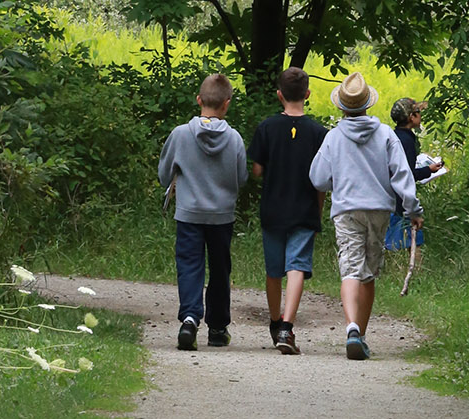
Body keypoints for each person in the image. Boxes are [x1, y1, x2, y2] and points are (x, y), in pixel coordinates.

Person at [309, 72, 422, 360]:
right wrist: (413, 210)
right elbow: (402, 174)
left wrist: (340, 180)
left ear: (342, 107)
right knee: (369, 272)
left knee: (350, 268)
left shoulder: (334, 137)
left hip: (347, 209)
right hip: (379, 209)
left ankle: (351, 329)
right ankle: (363, 333)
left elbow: (318, 178)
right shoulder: (385, 133)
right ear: (368, 104)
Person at [158, 74, 248, 351]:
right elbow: (241, 177)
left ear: (199, 100)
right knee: (220, 269)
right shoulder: (234, 139)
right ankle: (218, 328)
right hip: (221, 215)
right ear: (227, 104)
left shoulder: (180, 134)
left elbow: (164, 175)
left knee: (189, 265)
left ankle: (189, 319)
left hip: (188, 213)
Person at [249, 67, 328, 355]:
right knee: (297, 266)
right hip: (304, 208)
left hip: (273, 208)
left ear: (279, 95)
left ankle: (273, 320)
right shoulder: (320, 133)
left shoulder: (266, 128)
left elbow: (257, 170)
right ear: (307, 94)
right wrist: (318, 210)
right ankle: (287, 326)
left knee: (274, 270)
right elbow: (322, 180)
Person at [384, 98, 443, 251]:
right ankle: (415, 272)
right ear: (411, 117)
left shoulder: (393, 136)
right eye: (418, 112)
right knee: (413, 242)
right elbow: (406, 175)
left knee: (391, 240)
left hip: (388, 197)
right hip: (401, 201)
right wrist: (429, 170)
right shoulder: (407, 141)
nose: (420, 115)